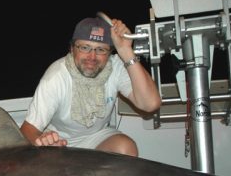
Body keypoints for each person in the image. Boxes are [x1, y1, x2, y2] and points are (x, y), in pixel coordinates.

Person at [20, 16, 161, 156]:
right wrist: (42, 140)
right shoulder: (55, 77)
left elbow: (150, 105)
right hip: (59, 142)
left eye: (101, 49)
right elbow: (27, 130)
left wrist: (126, 51)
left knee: (126, 148)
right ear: (71, 48)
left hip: (98, 137)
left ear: (110, 52)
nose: (92, 57)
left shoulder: (115, 66)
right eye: (85, 47)